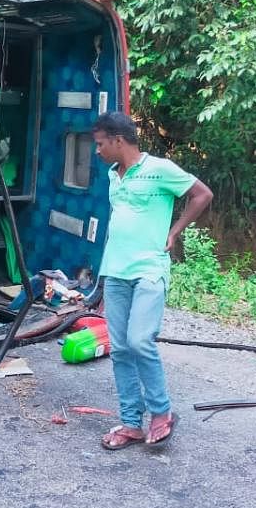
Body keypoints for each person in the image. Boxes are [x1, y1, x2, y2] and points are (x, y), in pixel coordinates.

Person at [91, 112, 213, 450]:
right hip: (115, 272)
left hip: (148, 270)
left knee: (140, 340)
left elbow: (202, 194)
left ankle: (162, 412)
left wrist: (174, 232)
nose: (97, 151)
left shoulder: (160, 169)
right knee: (120, 349)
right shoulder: (114, 176)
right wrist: (101, 280)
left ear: (118, 140)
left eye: (101, 144)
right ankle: (131, 423)